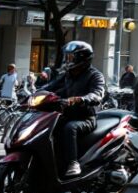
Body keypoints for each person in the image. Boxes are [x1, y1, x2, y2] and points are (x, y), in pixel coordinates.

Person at [43, 42, 106, 177]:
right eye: (67, 57)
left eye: (71, 57)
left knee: (70, 128)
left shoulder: (95, 76)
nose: (68, 60)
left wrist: (81, 99)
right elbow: (50, 87)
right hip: (66, 115)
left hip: (86, 118)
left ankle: (73, 163)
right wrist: (32, 95)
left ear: (82, 58)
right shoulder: (68, 75)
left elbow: (97, 94)